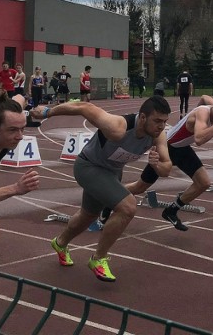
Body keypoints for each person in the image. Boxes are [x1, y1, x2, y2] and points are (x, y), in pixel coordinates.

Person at [30, 96, 172, 282]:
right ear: (143, 117)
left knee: (87, 216)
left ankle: (60, 243)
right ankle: (98, 258)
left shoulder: (157, 136)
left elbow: (166, 168)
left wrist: (155, 165)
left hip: (112, 173)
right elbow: (84, 107)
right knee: (128, 207)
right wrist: (48, 112)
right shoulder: (118, 127)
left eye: (165, 122)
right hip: (89, 167)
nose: (161, 127)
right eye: (157, 121)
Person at [112, 94, 213, 231]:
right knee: (140, 187)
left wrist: (198, 117)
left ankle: (171, 211)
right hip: (167, 148)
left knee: (203, 183)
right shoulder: (203, 113)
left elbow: (204, 97)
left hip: (182, 149)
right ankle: (111, 199)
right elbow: (199, 139)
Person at [0, 89, 40, 250]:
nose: (20, 136)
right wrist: (16, 188)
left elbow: (19, 98)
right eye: (12, 130)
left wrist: (28, 99)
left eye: (23, 128)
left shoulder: (8, 114)